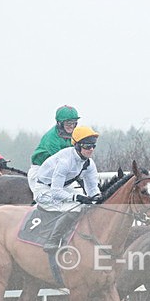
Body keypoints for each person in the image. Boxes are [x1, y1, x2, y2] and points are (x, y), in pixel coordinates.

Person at [32, 125, 102, 253]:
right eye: (87, 146)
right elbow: (56, 192)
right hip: (44, 191)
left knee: (88, 206)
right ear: (77, 145)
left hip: (63, 188)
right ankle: (52, 241)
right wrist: (77, 197)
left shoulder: (89, 163)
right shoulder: (65, 161)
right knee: (76, 206)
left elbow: (93, 189)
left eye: (93, 146)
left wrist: (98, 199)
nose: (91, 149)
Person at [28, 105, 80, 191]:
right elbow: (63, 161)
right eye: (68, 123)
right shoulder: (51, 138)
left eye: (74, 123)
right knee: (50, 200)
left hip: (57, 172)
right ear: (59, 123)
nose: (71, 126)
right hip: (40, 172)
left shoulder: (73, 136)